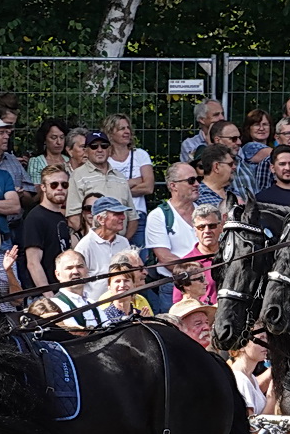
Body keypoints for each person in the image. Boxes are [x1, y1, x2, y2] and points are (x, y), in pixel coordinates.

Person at [145, 163, 203, 305]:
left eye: (198, 179)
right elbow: (165, 258)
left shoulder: (204, 212)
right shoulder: (158, 216)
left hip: (206, 284)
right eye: (191, 181)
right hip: (175, 285)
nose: (197, 184)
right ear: (173, 186)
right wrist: (201, 270)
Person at [20, 164, 76, 288]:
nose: (60, 188)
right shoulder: (35, 218)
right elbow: (33, 263)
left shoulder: (61, 217)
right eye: (54, 185)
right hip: (45, 295)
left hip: (64, 290)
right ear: (43, 187)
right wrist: (48, 295)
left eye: (64, 184)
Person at [75, 194, 132, 300]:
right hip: (95, 307)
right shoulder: (85, 246)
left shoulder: (123, 243)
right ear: (101, 219)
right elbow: (77, 283)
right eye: (117, 214)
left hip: (121, 303)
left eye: (122, 213)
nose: (123, 217)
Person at [43, 251, 102, 333]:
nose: (75, 271)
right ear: (58, 274)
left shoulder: (94, 305)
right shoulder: (53, 306)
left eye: (80, 266)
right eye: (69, 268)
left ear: (87, 271)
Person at [102, 112, 155, 202]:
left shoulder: (140, 155)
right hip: (112, 212)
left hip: (137, 212)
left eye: (128, 128)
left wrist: (116, 189)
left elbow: (148, 188)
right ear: (110, 133)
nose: (127, 131)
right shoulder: (104, 158)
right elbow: (103, 190)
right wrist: (133, 182)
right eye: (122, 129)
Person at [27, 117, 73, 186]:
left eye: (62, 137)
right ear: (44, 140)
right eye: (53, 138)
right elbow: (35, 190)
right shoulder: (36, 162)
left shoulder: (69, 159)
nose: (59, 142)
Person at [180, 98, 225, 163]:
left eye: (222, 114)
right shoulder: (190, 144)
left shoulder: (231, 139)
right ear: (202, 119)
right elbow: (192, 170)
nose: (222, 118)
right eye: (216, 115)